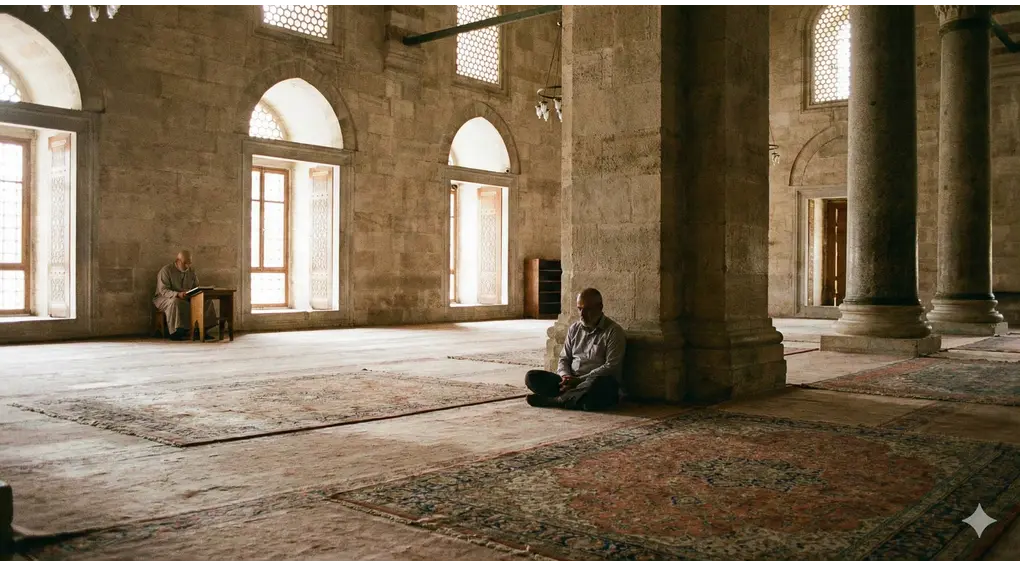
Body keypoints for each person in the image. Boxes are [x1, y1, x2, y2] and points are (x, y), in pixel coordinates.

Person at [524, 288, 626, 410]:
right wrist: (565, 377)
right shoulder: (574, 329)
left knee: (597, 386)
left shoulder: (613, 331)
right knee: (531, 376)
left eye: (587, 309)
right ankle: (572, 398)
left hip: (593, 383)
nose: (582, 314)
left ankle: (557, 400)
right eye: (579, 309)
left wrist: (579, 381)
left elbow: (611, 367)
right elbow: (564, 358)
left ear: (600, 307)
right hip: (571, 382)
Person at [153, 250, 216, 341]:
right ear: (178, 261)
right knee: (176, 302)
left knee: (206, 301)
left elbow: (196, 287)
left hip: (186, 297)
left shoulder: (191, 271)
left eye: (189, 263)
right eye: (185, 263)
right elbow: (163, 290)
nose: (188, 266)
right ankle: (176, 332)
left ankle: (202, 330)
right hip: (165, 298)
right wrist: (177, 294)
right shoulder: (166, 270)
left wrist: (196, 293)